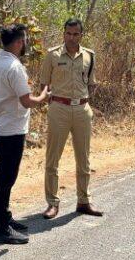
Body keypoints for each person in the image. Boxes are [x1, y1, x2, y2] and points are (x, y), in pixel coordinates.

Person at [0, 23, 49, 244]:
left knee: (5, 176)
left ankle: (5, 217)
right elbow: (27, 100)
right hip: (12, 128)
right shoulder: (14, 67)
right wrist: (43, 96)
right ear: (20, 42)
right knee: (6, 178)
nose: (25, 45)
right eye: (24, 41)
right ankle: (1, 229)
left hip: (1, 125)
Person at [40, 18, 102, 219]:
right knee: (53, 159)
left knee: (84, 159)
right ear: (63, 33)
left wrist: (87, 103)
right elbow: (44, 83)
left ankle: (83, 201)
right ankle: (52, 203)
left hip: (82, 109)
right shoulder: (52, 55)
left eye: (76, 34)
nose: (71, 37)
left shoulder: (89, 56)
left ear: (81, 35)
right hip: (59, 109)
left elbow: (91, 83)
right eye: (68, 33)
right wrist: (50, 102)